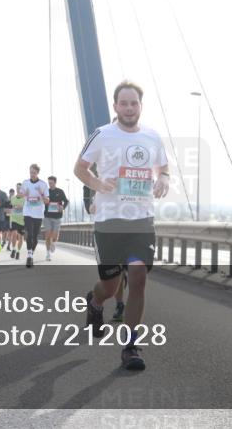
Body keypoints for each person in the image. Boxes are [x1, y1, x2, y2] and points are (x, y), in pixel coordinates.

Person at [75, 80, 170, 370]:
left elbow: (163, 167)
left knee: (138, 277)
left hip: (141, 219)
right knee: (110, 285)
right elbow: (80, 168)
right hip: (109, 221)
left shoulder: (153, 137)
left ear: (140, 106)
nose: (129, 108)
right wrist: (98, 183)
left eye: (134, 103)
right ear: (115, 106)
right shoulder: (102, 135)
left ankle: (130, 345)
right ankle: (95, 301)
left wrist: (164, 178)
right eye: (124, 103)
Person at [20, 164, 49, 268]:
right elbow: (20, 195)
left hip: (38, 214)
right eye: (30, 172)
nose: (32, 174)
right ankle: (29, 256)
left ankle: (31, 253)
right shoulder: (25, 182)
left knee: (35, 237)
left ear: (37, 173)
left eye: (34, 172)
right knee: (30, 234)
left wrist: (41, 194)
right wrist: (24, 194)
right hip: (27, 212)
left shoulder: (43, 184)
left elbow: (47, 201)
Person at [43, 175, 69, 261]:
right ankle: (47, 254)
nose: (50, 184)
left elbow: (66, 201)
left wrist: (63, 207)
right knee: (47, 235)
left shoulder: (60, 191)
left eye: (51, 183)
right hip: (47, 216)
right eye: (49, 183)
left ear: (55, 182)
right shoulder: (46, 192)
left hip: (57, 217)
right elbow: (42, 201)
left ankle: (53, 242)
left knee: (55, 236)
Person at [8, 186, 25, 258]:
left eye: (20, 188)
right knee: (14, 234)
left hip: (22, 220)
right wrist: (9, 210)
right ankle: (14, 249)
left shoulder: (25, 199)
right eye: (17, 188)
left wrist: (22, 207)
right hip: (13, 219)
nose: (19, 189)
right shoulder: (12, 198)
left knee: (21, 237)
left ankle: (18, 251)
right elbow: (8, 208)